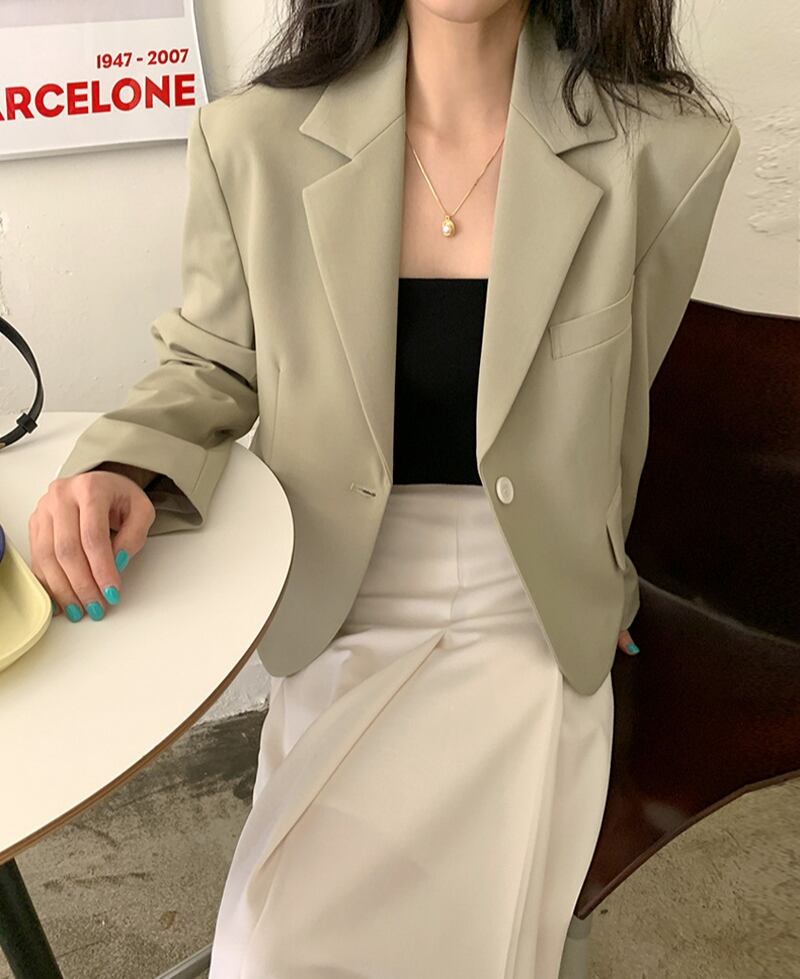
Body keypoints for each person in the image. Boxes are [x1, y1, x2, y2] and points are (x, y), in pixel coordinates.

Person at [30, 0, 740, 974]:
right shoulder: (253, 141)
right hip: (340, 604)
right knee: (268, 952)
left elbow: (616, 411)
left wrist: (598, 575)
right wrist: (120, 463)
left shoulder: (667, 153)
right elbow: (210, 362)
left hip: (526, 620)